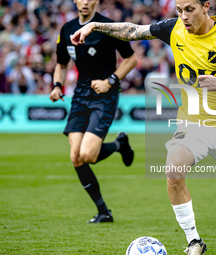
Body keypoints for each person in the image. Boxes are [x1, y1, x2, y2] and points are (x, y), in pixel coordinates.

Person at [71, 0, 216, 254]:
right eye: (179, 10)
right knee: (173, 171)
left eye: (189, 10)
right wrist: (96, 26)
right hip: (194, 123)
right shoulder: (173, 28)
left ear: (206, 6)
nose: (183, 16)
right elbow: (134, 30)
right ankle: (194, 242)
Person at [49, 0, 137, 223]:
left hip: (105, 95)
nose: (86, 2)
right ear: (75, 1)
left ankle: (119, 145)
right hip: (80, 95)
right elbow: (61, 63)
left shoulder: (108, 26)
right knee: (76, 157)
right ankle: (103, 212)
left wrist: (110, 80)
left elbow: (131, 59)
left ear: (96, 1)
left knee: (87, 154)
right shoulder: (67, 29)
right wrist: (57, 86)